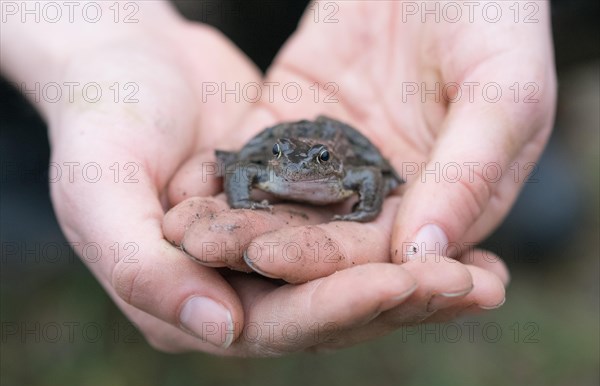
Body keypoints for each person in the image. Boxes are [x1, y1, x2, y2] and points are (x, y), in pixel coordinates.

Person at [0, 1, 556, 356]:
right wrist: (90, 45)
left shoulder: (344, 173)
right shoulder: (272, 163)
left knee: (546, 206)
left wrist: (367, 203)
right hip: (208, 54)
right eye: (288, 162)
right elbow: (241, 165)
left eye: (308, 164)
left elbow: (367, 175)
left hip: (367, 95)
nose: (293, 169)